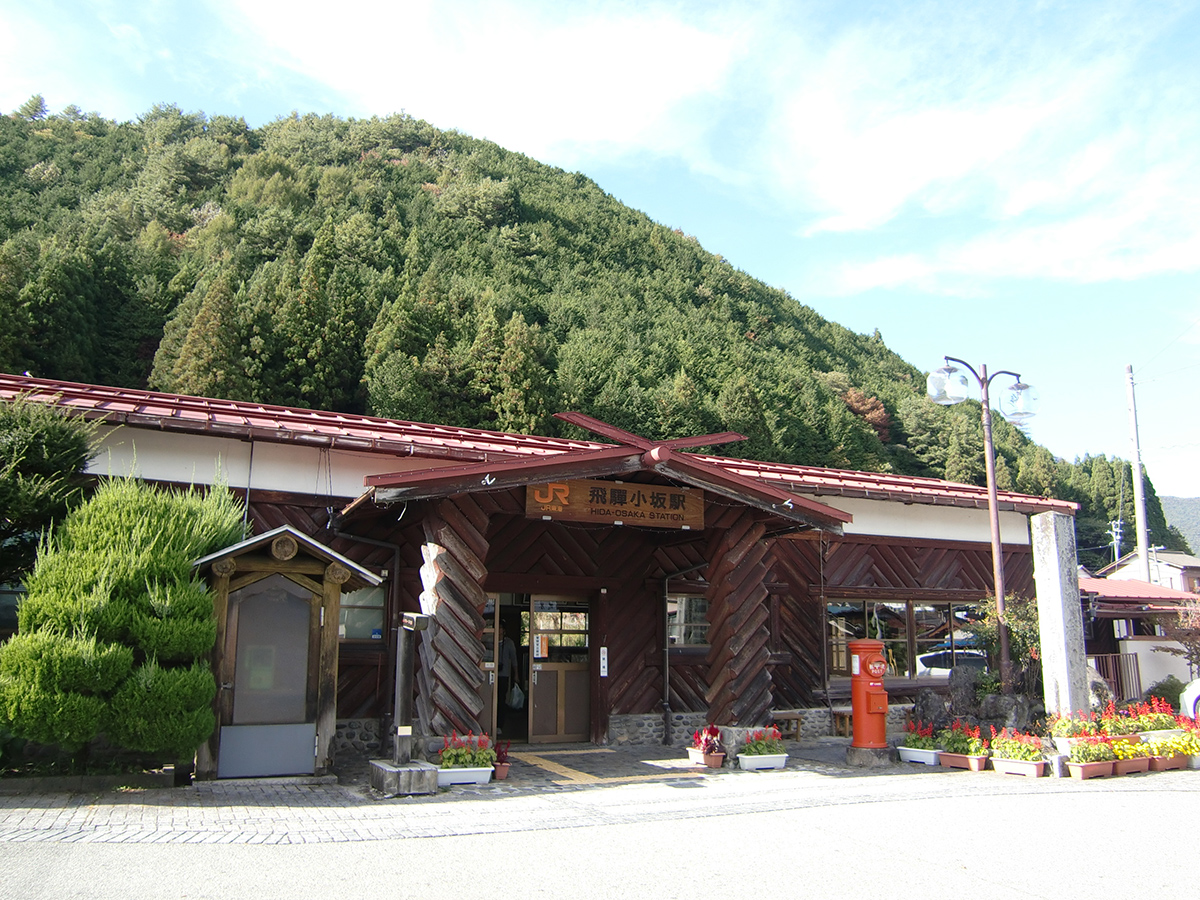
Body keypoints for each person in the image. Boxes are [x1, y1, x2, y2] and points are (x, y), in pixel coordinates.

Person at [496, 621, 520, 734]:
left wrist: (516, 675)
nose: (499, 630)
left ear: (504, 630)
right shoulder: (491, 641)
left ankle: (500, 724)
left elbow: (514, 660)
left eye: (501, 628)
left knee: (501, 700)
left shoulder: (509, 643)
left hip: (504, 675)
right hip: (492, 674)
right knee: (491, 699)